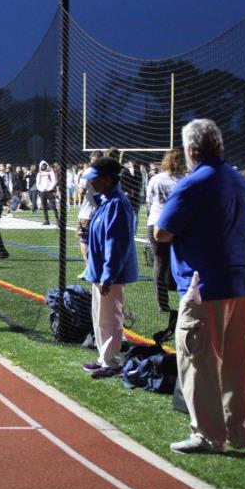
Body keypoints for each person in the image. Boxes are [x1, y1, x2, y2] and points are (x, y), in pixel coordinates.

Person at [154, 118, 245, 454]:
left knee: (199, 362)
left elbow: (162, 232)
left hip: (205, 286)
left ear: (191, 149)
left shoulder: (194, 183)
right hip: (242, 284)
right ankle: (240, 432)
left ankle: (209, 435)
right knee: (236, 365)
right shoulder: (238, 180)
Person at [79, 157, 139, 379]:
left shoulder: (117, 204)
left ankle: (112, 362)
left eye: (95, 179)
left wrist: (108, 274)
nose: (91, 183)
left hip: (110, 274)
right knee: (100, 316)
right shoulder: (107, 201)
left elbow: (116, 244)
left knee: (110, 318)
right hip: (100, 272)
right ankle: (104, 357)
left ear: (108, 179)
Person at [145, 148, 183, 313]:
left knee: (160, 263)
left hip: (156, 222)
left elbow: (148, 202)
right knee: (181, 261)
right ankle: (185, 298)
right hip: (176, 224)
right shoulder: (183, 180)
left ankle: (162, 303)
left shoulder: (155, 179)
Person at [36, 160, 58, 225]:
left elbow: (54, 181)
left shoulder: (50, 172)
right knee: (44, 206)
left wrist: (49, 188)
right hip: (42, 192)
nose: (43, 166)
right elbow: (37, 183)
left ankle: (57, 219)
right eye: (42, 165)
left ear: (46, 166)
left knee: (53, 206)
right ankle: (46, 220)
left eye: (44, 165)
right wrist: (41, 189)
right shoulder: (39, 174)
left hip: (49, 191)